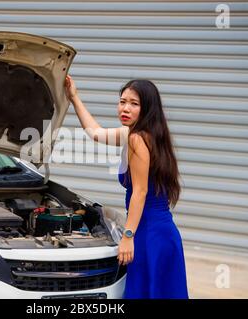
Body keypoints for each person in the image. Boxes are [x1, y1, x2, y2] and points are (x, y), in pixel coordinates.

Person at [64, 75, 189, 299]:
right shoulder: (142, 134)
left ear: (147, 108)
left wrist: (128, 236)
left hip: (148, 233)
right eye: (122, 101)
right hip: (162, 233)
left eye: (134, 103)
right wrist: (74, 97)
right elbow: (95, 132)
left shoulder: (137, 139)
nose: (126, 108)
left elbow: (140, 192)